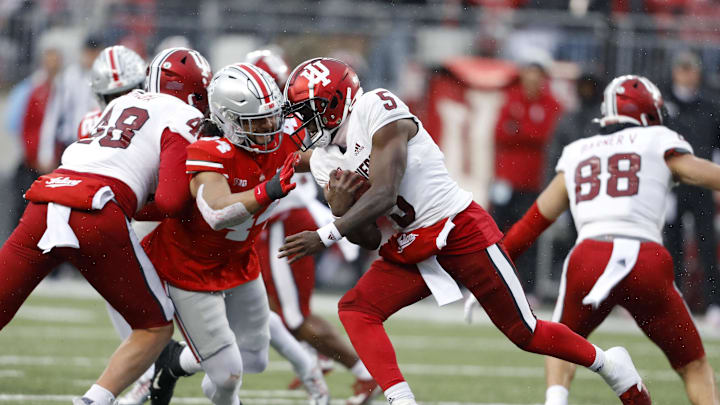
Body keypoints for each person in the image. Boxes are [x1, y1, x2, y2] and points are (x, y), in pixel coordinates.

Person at [277, 57, 651, 405]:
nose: (301, 125)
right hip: (411, 243)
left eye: (306, 113)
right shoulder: (326, 159)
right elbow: (371, 238)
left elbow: (385, 191)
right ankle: (401, 400)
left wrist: (328, 231)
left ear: (334, 103)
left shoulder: (376, 107)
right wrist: (342, 209)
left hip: (458, 228)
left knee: (525, 332)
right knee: (357, 309)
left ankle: (609, 364)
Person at [486, 74, 720, 405]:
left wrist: (493, 264)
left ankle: (556, 401)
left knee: (561, 342)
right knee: (694, 365)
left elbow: (533, 221)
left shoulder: (580, 150)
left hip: (590, 259)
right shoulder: (657, 139)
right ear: (648, 112)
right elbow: (701, 173)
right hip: (645, 261)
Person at [0, 46, 212, 405]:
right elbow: (172, 200)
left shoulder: (119, 104)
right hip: (96, 213)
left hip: (47, 198)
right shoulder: (184, 115)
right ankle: (93, 401)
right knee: (155, 327)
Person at [141, 63, 319, 405]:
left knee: (254, 360)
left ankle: (173, 362)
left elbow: (317, 158)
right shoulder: (208, 151)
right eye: (257, 121)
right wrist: (267, 191)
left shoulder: (279, 139)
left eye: (271, 116)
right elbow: (217, 211)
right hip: (189, 268)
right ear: (227, 120)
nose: (269, 127)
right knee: (228, 375)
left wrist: (354, 166)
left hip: (239, 262)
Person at [247, 48, 380, 405]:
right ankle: (318, 360)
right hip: (282, 220)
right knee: (277, 310)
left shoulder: (297, 123)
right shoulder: (292, 120)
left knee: (294, 317)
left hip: (286, 222)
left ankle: (363, 372)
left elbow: (287, 167)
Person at [491, 56, 563, 299]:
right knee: (496, 234)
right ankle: (494, 285)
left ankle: (527, 288)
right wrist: (528, 133)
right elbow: (500, 133)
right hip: (507, 179)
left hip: (534, 182)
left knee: (529, 236)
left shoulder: (552, 103)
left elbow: (549, 136)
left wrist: (519, 130)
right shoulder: (511, 99)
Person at [662, 50, 720, 322]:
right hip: (671, 186)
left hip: (702, 185)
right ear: (675, 71)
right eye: (682, 68)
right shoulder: (662, 105)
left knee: (707, 244)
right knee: (670, 247)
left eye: (691, 69)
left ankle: (713, 304)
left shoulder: (710, 105)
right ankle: (673, 302)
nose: (686, 74)